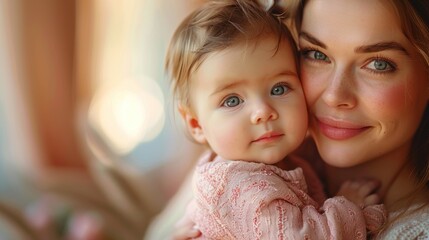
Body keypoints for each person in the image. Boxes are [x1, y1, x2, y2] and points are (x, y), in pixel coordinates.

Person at [169, 0, 429, 239]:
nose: (333, 96)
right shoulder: (240, 171)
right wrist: (350, 209)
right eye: (316, 54)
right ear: (195, 124)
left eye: (378, 64)